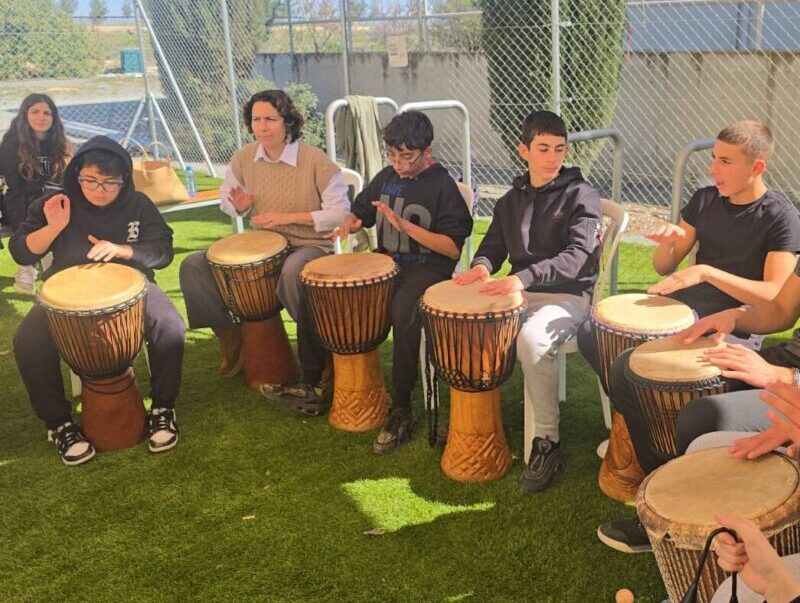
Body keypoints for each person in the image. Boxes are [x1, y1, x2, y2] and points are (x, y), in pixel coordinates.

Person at [595, 121, 800, 554]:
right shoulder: (705, 200)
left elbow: (772, 294)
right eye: (714, 158)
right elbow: (781, 308)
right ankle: (655, 481)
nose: (714, 169)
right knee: (617, 361)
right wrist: (672, 247)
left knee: (682, 405)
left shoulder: (780, 216)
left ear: (756, 167)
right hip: (724, 327)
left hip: (764, 353)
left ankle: (673, 504)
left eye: (725, 161)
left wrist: (711, 279)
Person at [9, 135, 185, 466]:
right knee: (28, 340)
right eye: (90, 180)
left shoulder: (138, 204)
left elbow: (163, 251)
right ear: (76, 174)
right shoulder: (57, 203)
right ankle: (59, 424)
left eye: (109, 182)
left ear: (124, 180)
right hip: (66, 294)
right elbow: (20, 251)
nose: (99, 190)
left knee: (171, 326)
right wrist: (54, 227)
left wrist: (124, 250)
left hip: (132, 287)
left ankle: (163, 407)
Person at [454, 110, 602, 492]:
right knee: (467, 322)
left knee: (531, 340)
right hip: (521, 292)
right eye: (543, 148)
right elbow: (493, 246)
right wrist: (482, 267)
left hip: (568, 296)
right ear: (524, 150)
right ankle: (476, 425)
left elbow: (579, 257)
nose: (553, 157)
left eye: (559, 149)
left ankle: (547, 442)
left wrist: (522, 278)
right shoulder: (510, 200)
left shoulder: (581, 195)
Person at [179, 90, 350, 414]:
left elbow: (340, 213)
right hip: (263, 245)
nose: (262, 126)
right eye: (256, 119)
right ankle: (230, 336)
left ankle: (321, 353)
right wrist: (237, 206)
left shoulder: (315, 160)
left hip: (309, 245)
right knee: (194, 265)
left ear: (288, 122)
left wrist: (288, 218)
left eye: (270, 118)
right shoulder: (244, 157)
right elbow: (228, 199)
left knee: (293, 273)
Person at [337, 110, 473, 454]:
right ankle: (348, 385)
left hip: (429, 268)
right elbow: (362, 208)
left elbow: (452, 248)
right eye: (393, 155)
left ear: (427, 152)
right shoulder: (387, 177)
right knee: (348, 295)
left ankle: (401, 407)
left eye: (407, 156)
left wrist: (406, 227)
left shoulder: (443, 186)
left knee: (403, 309)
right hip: (389, 262)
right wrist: (351, 220)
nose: (398, 163)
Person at [0, 93, 71, 294]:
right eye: (35, 112)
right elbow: (15, 186)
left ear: (54, 117)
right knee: (38, 214)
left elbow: (65, 180)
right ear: (25, 114)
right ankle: (32, 266)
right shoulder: (11, 145)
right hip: (21, 202)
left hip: (51, 199)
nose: (41, 117)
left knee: (60, 207)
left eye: (47, 113)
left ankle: (39, 269)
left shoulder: (59, 143)